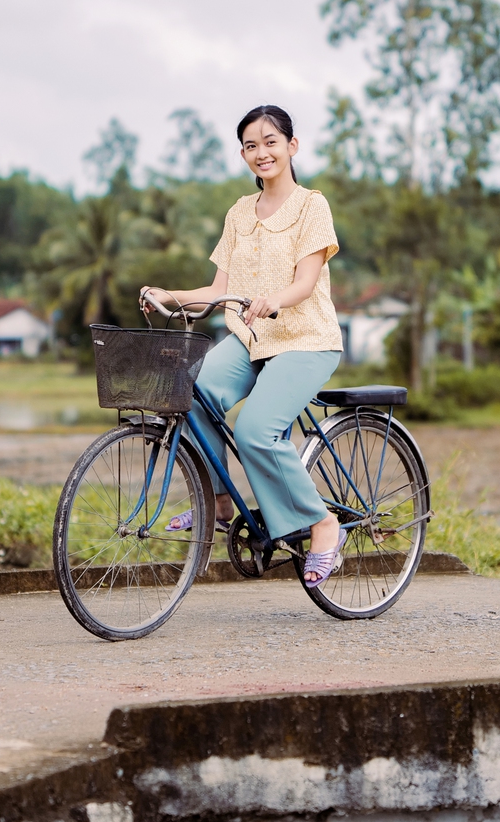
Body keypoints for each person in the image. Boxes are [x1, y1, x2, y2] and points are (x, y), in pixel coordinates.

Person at [138, 105, 346, 585]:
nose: (261, 152)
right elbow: (217, 290)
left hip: (305, 340)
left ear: (292, 146)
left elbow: (307, 283)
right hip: (251, 338)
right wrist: (167, 294)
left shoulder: (312, 205)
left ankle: (322, 523)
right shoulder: (238, 212)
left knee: (255, 430)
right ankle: (218, 502)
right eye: (251, 145)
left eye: (271, 141)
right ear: (243, 154)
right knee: (191, 392)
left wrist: (274, 301)